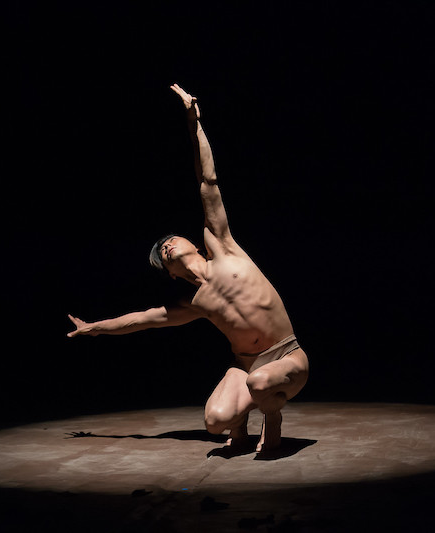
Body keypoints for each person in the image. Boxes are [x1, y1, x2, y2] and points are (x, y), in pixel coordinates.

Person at [67, 84, 309, 453]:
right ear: (170, 272)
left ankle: (271, 419)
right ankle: (238, 425)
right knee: (215, 422)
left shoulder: (223, 247)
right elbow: (140, 320)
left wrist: (194, 122)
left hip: (287, 358)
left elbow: (207, 182)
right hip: (245, 366)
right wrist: (93, 329)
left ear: (194, 243)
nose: (167, 246)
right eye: (162, 252)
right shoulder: (193, 303)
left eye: (171, 240)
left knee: (261, 383)